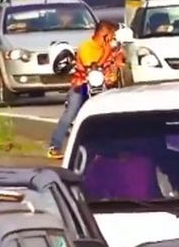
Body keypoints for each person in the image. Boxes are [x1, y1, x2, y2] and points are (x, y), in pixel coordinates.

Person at [47, 21, 124, 159]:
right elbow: (92, 67)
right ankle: (55, 146)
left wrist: (118, 59)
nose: (113, 39)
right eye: (111, 35)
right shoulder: (86, 47)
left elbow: (118, 61)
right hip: (82, 86)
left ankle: (109, 147)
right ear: (104, 35)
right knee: (70, 113)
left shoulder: (109, 47)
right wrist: (107, 52)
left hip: (102, 87)